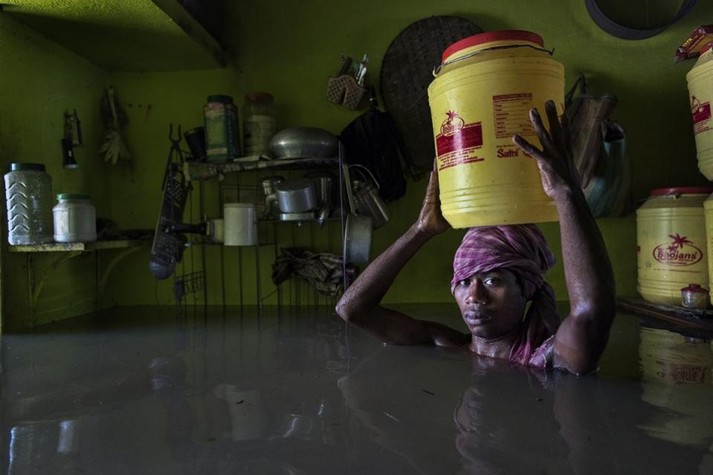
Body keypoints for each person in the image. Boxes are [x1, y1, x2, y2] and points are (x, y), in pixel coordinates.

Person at [335, 100, 617, 375]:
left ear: (527, 287)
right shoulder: (446, 345)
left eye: (493, 281)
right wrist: (420, 230)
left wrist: (566, 193)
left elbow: (591, 313)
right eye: (463, 282)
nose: (473, 296)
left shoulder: (551, 359)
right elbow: (351, 310)